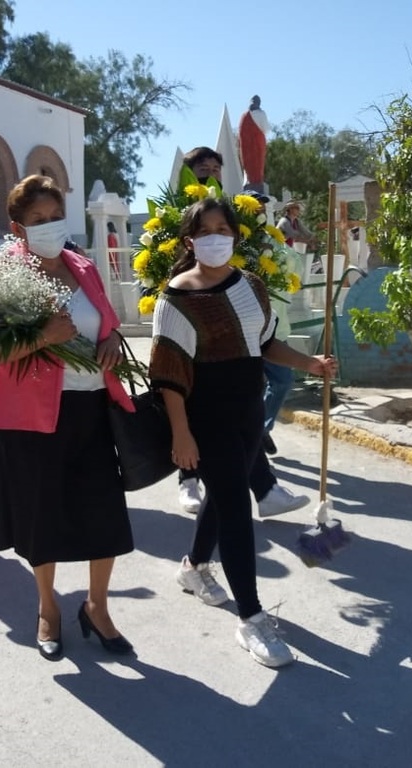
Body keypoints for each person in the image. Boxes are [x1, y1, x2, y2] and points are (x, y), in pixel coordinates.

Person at [149, 197, 337, 668]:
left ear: (234, 235)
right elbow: (168, 376)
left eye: (223, 229)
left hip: (248, 411)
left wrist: (309, 363)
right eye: (206, 231)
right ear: (190, 242)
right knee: (235, 507)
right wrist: (180, 434)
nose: (217, 238)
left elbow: (267, 343)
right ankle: (251, 618)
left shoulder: (249, 285)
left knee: (224, 494)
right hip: (204, 416)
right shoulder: (176, 299)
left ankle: (193, 568)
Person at [0, 174, 135, 661]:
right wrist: (42, 337)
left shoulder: (82, 266)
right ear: (17, 227)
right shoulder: (5, 273)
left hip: (91, 409)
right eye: (38, 221)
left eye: (55, 217)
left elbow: (104, 321)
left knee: (103, 514)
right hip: (32, 418)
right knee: (42, 517)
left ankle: (97, 607)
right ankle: (48, 607)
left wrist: (110, 339)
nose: (50, 227)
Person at [174, 147, 308, 517]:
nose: (211, 174)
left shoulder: (229, 217)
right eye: (204, 169)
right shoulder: (176, 213)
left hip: (235, 326)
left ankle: (264, 492)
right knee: (192, 404)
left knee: (242, 418)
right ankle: (189, 481)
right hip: (191, 320)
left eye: (217, 169)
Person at [238, 95, 269, 194]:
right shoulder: (261, 114)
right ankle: (255, 182)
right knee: (257, 166)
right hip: (258, 145)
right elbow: (266, 129)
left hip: (247, 148)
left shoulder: (244, 116)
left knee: (250, 167)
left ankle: (251, 181)